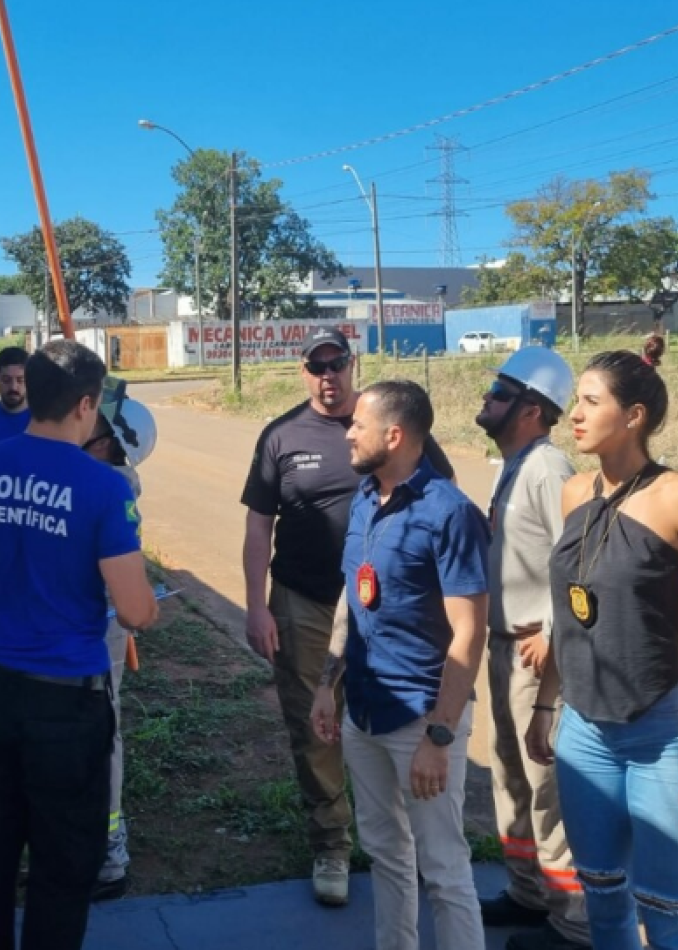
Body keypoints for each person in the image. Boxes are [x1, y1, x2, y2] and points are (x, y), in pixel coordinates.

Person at [0, 340, 160, 950]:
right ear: (86, 404)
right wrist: (146, 603)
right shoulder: (104, 489)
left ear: (31, 394)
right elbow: (134, 610)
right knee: (63, 870)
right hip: (69, 709)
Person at [526, 350, 678, 950]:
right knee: (603, 902)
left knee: (670, 916)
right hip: (584, 734)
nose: (575, 414)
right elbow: (572, 615)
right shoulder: (573, 493)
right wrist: (548, 707)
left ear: (635, 415)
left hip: (663, 733)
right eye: (577, 401)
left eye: (592, 402)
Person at [241, 327, 456, 907]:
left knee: (391, 721)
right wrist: (257, 604)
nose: (328, 375)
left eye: (336, 363)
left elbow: (439, 503)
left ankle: (399, 842)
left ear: (352, 364)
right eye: (317, 366)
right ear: (302, 372)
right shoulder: (282, 437)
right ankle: (332, 843)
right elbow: (259, 526)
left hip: (387, 612)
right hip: (306, 602)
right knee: (317, 727)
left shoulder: (392, 427)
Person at [309, 379, 490, 950]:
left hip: (420, 718)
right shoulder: (365, 498)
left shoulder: (450, 514)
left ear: (395, 434)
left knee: (442, 866)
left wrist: (439, 733)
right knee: (386, 854)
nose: (349, 433)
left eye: (358, 425)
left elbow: (470, 630)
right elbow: (351, 596)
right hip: (364, 710)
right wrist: (327, 681)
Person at [474, 349, 591, 950]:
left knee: (546, 787)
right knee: (510, 777)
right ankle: (526, 892)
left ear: (531, 410)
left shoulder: (548, 469)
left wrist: (549, 629)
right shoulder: (511, 465)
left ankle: (572, 923)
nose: (487, 398)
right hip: (501, 646)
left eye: (499, 390)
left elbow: (575, 563)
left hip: (532, 649)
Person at [80, 387, 159, 902]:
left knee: (100, 733)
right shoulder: (93, 476)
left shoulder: (110, 487)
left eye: (93, 423)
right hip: (77, 629)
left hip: (98, 628)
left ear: (110, 443)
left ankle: (109, 850)